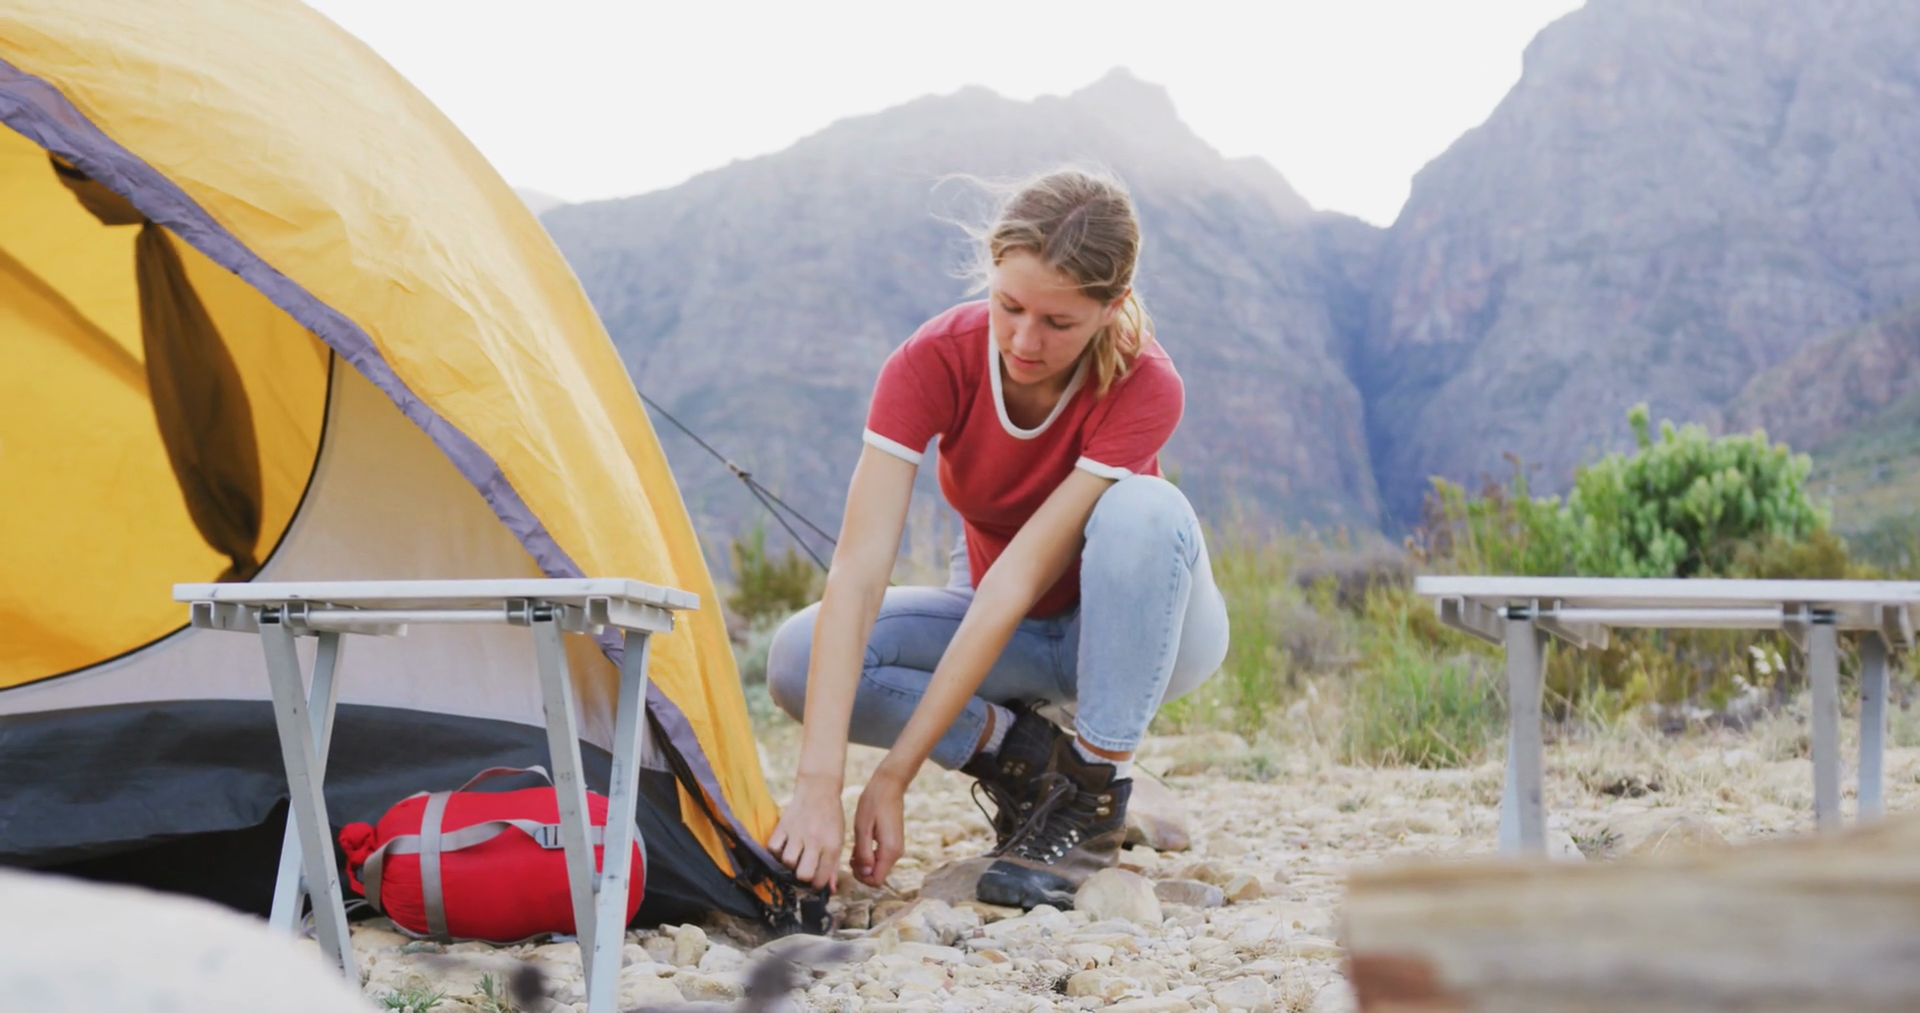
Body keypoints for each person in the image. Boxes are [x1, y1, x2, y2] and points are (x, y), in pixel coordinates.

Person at [763, 167, 1230, 910]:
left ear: (1112, 307)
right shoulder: (932, 359)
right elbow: (858, 571)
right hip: (1009, 628)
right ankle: (1029, 758)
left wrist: (896, 774)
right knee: (797, 654)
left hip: (1141, 634)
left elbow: (1021, 574)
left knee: (1144, 508)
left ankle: (1090, 799)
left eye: (1058, 323)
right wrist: (820, 787)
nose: (1024, 339)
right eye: (1009, 306)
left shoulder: (1146, 381)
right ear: (990, 272)